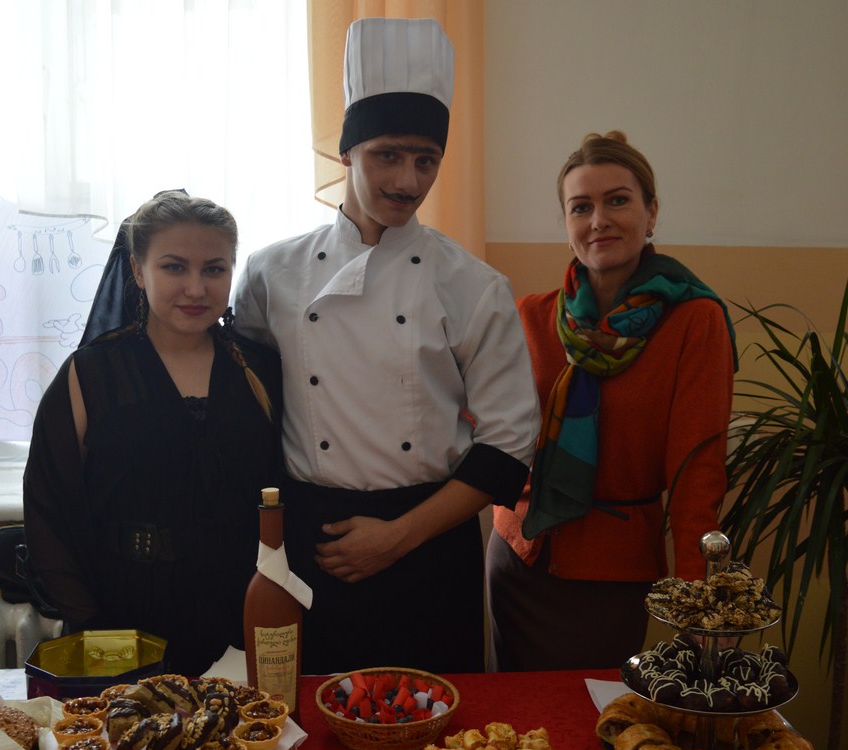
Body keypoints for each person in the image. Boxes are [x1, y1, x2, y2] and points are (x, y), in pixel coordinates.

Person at [230, 18, 539, 675]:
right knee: (307, 717)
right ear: (347, 152)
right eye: (387, 156)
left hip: (430, 544)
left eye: (426, 160)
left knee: (441, 724)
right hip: (313, 542)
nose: (408, 180)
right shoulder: (270, 272)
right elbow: (248, 405)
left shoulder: (473, 285)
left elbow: (508, 447)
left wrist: (397, 537)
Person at [486, 131, 738, 672]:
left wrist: (697, 598)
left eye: (617, 200)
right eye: (581, 207)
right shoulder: (530, 316)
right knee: (513, 717)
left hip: (611, 575)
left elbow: (697, 473)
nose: (599, 220)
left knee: (593, 713)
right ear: (567, 225)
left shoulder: (695, 322)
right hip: (517, 557)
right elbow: (482, 432)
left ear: (651, 214)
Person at [23, 190, 283, 676]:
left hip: (238, 617)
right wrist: (90, 625)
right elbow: (47, 511)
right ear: (138, 271)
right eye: (174, 267)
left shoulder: (261, 371)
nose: (195, 288)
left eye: (214, 269)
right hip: (122, 618)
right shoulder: (90, 374)